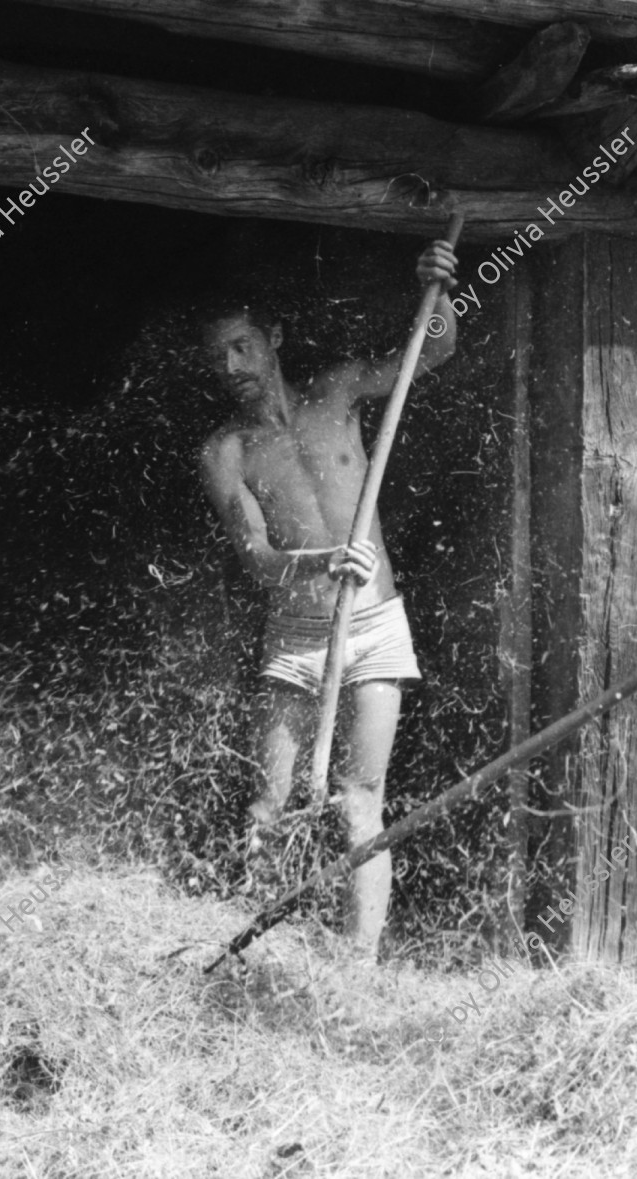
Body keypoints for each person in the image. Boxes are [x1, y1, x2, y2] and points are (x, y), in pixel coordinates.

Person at [199, 238, 459, 956]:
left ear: (272, 338)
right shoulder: (227, 451)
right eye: (218, 357)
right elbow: (255, 557)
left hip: (375, 625)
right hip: (297, 637)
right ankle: (253, 951)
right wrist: (317, 559)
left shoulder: (336, 393)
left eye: (243, 346)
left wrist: (439, 294)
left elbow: (426, 355)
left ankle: (361, 967)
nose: (233, 368)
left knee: (358, 799)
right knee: (270, 803)